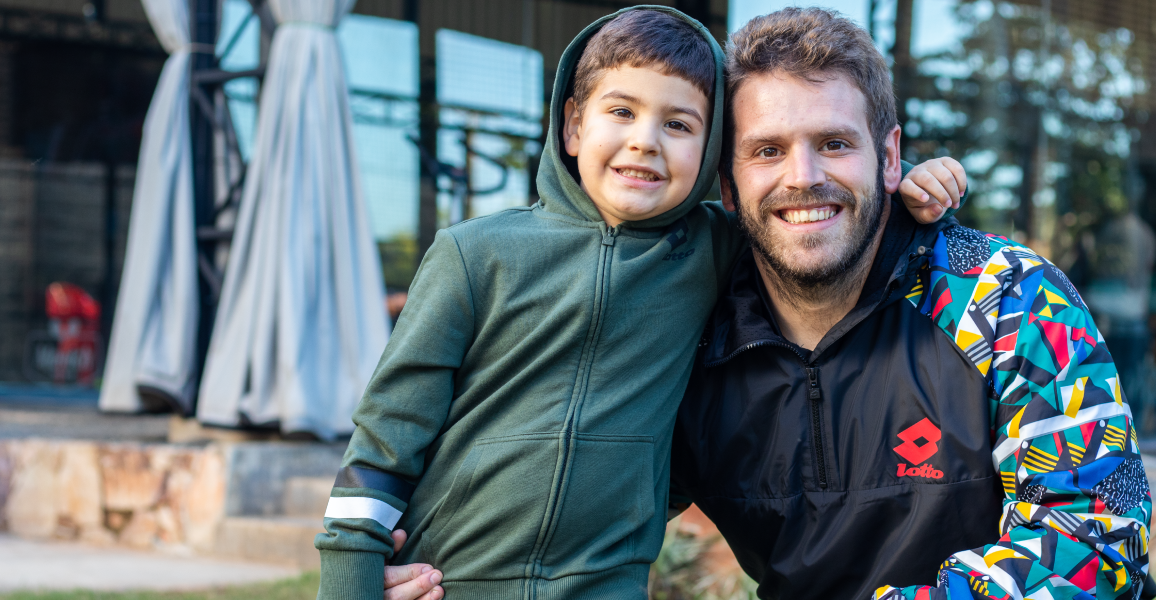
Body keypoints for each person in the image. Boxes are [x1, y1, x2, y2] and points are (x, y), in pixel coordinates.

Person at [321, 7, 969, 599]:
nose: (645, 141)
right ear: (574, 123)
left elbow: (810, 220)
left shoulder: (716, 250)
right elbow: (387, 436)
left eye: (679, 124)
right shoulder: (475, 254)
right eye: (621, 112)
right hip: (449, 580)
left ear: (711, 153)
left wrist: (902, 189)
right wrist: (352, 578)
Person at [667, 8, 1152, 600]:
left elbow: (1098, 543)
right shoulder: (693, 339)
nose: (803, 176)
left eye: (835, 143)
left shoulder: (1010, 299)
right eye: (767, 151)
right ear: (728, 187)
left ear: (890, 157)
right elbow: (583, 513)